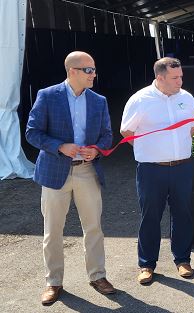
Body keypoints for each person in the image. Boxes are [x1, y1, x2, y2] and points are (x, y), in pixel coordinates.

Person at [26, 51, 115, 305]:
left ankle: (98, 276)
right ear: (72, 71)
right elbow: (32, 132)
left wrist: (96, 149)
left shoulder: (99, 101)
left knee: (93, 228)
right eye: (88, 70)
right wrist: (59, 146)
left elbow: (107, 135)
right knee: (52, 230)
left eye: (94, 69)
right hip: (55, 171)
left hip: (87, 171)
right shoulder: (47, 95)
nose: (94, 74)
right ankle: (53, 282)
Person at [120, 57, 194, 285]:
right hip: (151, 170)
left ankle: (183, 260)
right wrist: (148, 150)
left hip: (182, 167)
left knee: (183, 214)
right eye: (175, 78)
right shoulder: (140, 99)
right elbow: (126, 131)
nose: (180, 81)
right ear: (160, 78)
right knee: (150, 217)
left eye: (181, 76)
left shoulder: (185, 97)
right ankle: (146, 264)